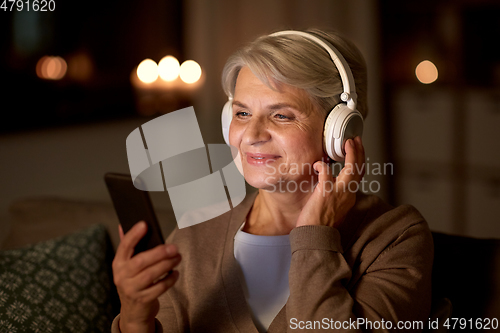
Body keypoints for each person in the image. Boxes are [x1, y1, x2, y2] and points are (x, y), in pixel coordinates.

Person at [111, 29, 433, 332]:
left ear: (339, 131)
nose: (251, 136)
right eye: (241, 113)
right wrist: (135, 319)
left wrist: (315, 236)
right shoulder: (193, 237)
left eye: (281, 115)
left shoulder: (394, 238)